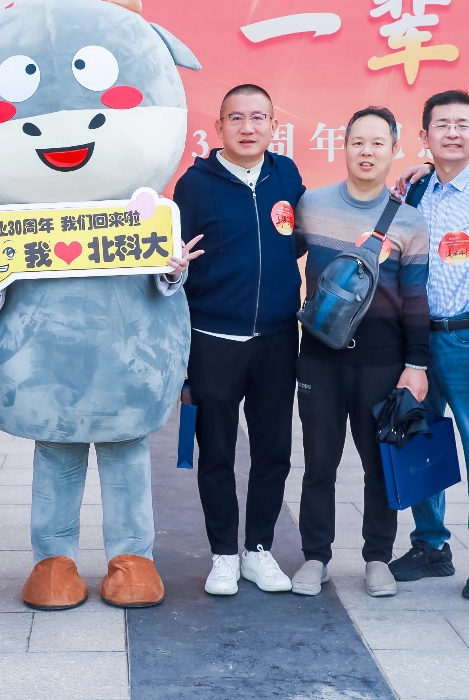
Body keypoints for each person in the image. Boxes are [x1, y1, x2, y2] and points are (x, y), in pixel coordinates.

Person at [173, 84, 306, 597]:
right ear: (219, 126)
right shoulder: (194, 185)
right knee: (217, 452)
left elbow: (297, 239)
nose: (248, 128)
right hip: (213, 339)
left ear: (273, 125)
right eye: (236, 118)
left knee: (274, 450)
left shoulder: (286, 174)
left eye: (258, 118)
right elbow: (176, 260)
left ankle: (259, 551)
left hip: (277, 337)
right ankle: (224, 555)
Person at [293, 106, 429, 598]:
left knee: (379, 465)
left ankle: (377, 558)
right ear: (343, 146)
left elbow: (416, 299)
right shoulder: (312, 204)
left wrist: (416, 365)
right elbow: (280, 256)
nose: (366, 152)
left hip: (382, 362)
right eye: (357, 142)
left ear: (394, 150)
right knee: (319, 463)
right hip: (320, 359)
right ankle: (315, 557)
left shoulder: (410, 220)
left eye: (377, 143)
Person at [387, 90, 469, 601]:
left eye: (463, 124)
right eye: (442, 125)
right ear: (425, 136)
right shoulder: (414, 191)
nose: (453, 133)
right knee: (419, 439)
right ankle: (431, 545)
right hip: (418, 342)